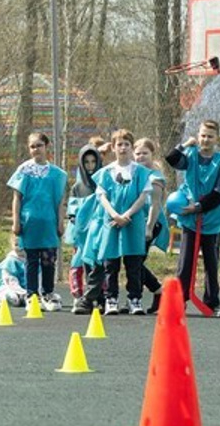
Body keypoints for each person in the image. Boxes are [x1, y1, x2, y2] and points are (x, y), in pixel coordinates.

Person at [76, 128, 156, 316]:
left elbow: (143, 196)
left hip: (132, 222)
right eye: (119, 144)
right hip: (110, 223)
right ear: (113, 147)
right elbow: (102, 197)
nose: (123, 148)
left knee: (134, 263)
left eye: (127, 144)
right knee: (110, 264)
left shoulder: (141, 173)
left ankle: (134, 299)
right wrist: (115, 215)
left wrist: (127, 215)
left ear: (131, 147)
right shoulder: (106, 173)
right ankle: (111, 299)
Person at [166, 119, 220, 316]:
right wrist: (185, 144)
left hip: (211, 221)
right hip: (190, 221)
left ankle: (212, 303)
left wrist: (198, 207)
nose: (205, 139)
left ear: (216, 138)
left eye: (210, 136)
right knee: (185, 263)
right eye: (203, 135)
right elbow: (171, 158)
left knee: (211, 265)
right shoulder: (191, 155)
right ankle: (180, 301)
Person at [8, 131, 67, 312]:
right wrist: (16, 221)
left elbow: (59, 200)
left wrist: (60, 221)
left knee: (49, 260)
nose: (36, 149)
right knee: (31, 260)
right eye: (32, 146)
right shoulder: (23, 171)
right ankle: (31, 294)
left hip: (48, 223)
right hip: (30, 222)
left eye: (39, 145)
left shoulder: (57, 174)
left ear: (46, 147)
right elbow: (17, 198)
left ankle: (48, 292)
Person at [64, 141, 104, 307]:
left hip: (100, 233)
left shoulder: (103, 182)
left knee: (99, 264)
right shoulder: (78, 187)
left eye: (93, 162)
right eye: (86, 162)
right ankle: (81, 294)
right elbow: (72, 210)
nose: (90, 166)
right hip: (82, 235)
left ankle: (101, 295)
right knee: (80, 263)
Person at [133, 137, 169, 313]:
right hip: (136, 222)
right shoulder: (135, 174)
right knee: (133, 261)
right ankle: (152, 292)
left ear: (152, 155)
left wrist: (148, 228)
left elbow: (155, 205)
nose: (140, 157)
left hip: (151, 223)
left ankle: (150, 292)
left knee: (136, 261)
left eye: (144, 153)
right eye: (137, 153)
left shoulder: (155, 177)